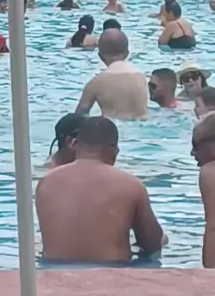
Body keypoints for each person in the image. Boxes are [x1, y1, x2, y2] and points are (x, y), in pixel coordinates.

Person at [36, 116, 165, 264]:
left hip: (52, 271)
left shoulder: (46, 182)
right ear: (115, 150)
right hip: (111, 272)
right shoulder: (131, 185)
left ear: (76, 144)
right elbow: (152, 245)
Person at [75, 30, 148, 119]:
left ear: (100, 56)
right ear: (127, 53)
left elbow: (79, 115)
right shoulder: (141, 77)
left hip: (114, 125)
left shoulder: (96, 83)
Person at [191, 113, 215, 267]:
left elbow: (214, 228)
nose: (192, 153)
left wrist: (209, 275)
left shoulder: (211, 172)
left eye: (195, 145)